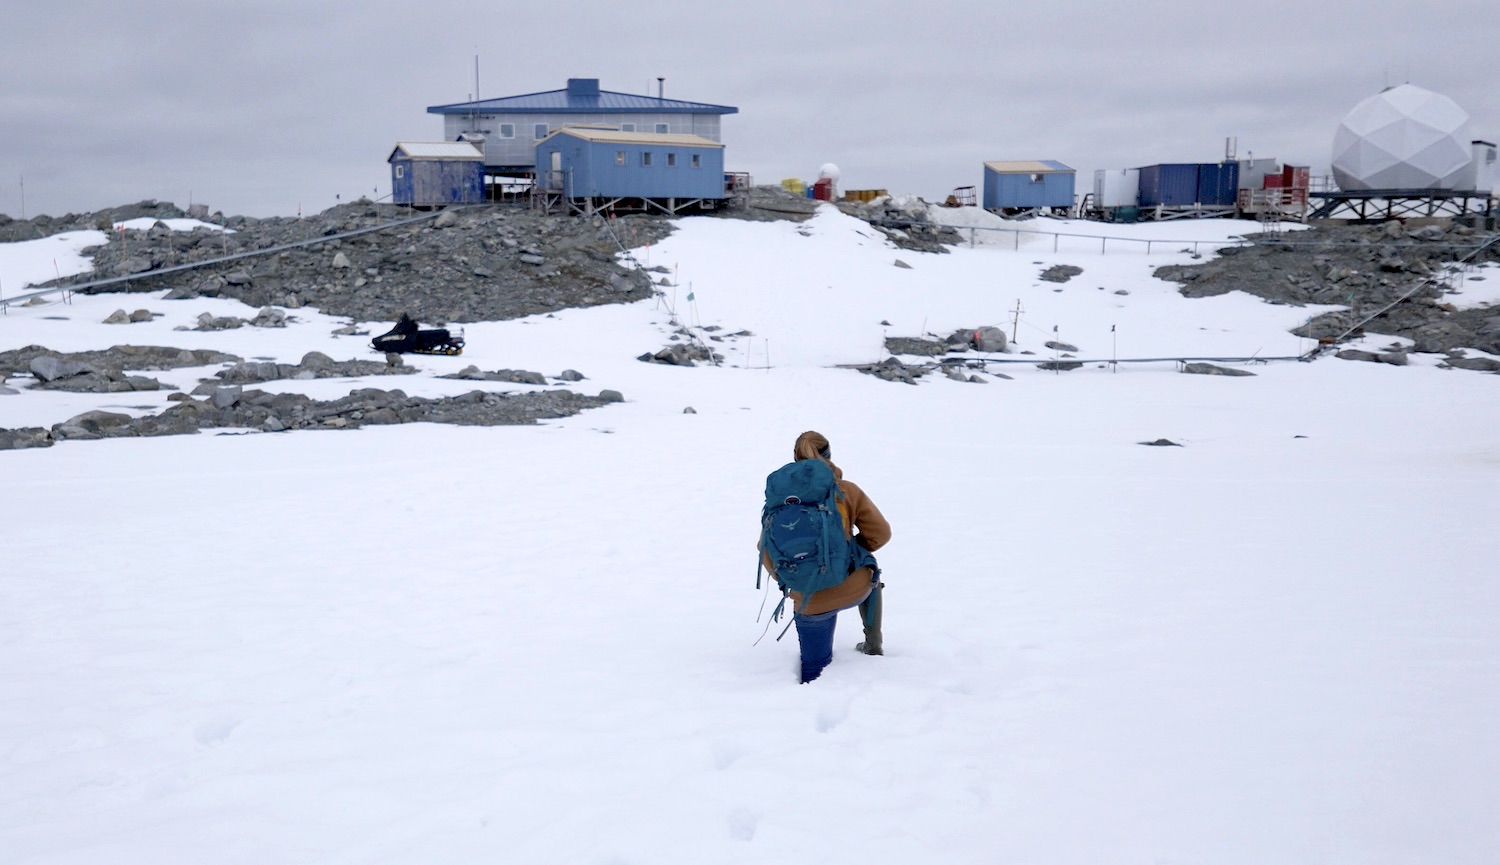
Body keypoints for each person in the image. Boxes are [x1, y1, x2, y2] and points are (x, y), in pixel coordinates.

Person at [764, 430, 892, 683]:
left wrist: (793, 574)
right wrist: (848, 550)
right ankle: (873, 645)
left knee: (815, 672)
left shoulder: (781, 499)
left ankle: (805, 701)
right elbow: (881, 533)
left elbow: (764, 547)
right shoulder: (846, 491)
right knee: (869, 563)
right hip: (853, 587)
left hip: (808, 600)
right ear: (829, 457)